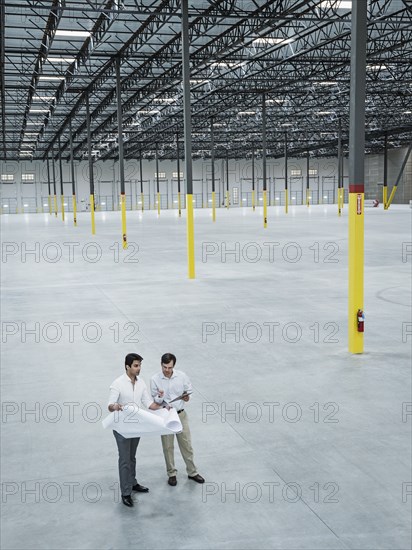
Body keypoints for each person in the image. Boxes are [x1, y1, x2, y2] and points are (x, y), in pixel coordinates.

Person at [108, 353, 164, 507]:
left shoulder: (141, 383)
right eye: (136, 366)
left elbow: (148, 403)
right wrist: (115, 406)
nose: (139, 368)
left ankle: (132, 483)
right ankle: (126, 493)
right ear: (127, 366)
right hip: (122, 428)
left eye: (139, 365)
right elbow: (110, 405)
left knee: (132, 457)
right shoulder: (118, 383)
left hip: (136, 427)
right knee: (124, 459)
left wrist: (162, 404)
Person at [150, 353, 204, 486]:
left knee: (186, 444)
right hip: (166, 415)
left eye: (169, 367)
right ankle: (172, 473)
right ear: (161, 364)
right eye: (164, 367)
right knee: (167, 446)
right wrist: (159, 396)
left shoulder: (182, 376)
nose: (167, 370)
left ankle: (192, 472)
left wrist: (186, 397)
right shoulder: (155, 379)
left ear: (173, 366)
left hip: (180, 414)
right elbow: (155, 400)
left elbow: (189, 391)